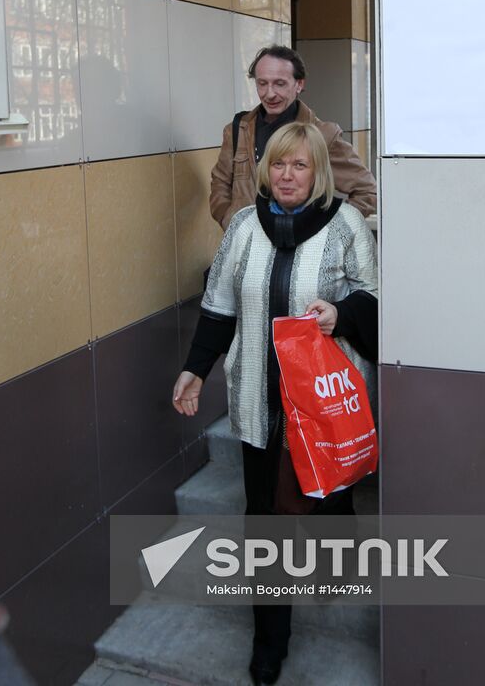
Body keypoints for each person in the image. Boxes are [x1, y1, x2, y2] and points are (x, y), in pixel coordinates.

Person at [173, 122, 378, 685]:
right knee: (265, 519)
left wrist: (343, 314)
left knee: (331, 498)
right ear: (266, 171)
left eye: (300, 166)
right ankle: (270, 642)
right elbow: (218, 305)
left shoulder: (347, 225)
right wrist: (195, 369)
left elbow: (375, 296)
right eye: (279, 165)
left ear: (319, 172)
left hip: (324, 407)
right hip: (260, 402)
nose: (287, 176)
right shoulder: (242, 225)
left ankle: (337, 563)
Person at [209, 45, 377, 230]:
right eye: (262, 83)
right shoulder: (237, 130)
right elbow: (220, 183)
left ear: (299, 84)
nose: (270, 93)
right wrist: (229, 219)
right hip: (248, 250)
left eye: (279, 84)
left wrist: (332, 230)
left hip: (302, 251)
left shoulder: (323, 135)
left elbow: (368, 191)